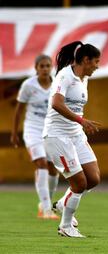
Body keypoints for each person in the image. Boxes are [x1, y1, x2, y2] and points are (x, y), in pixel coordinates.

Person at [43, 41, 101, 238]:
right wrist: (81, 120)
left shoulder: (84, 78)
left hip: (76, 134)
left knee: (93, 179)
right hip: (57, 136)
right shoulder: (65, 76)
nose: (97, 66)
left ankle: (62, 204)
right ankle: (66, 227)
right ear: (85, 60)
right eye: (96, 62)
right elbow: (56, 103)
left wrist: (80, 123)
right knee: (79, 183)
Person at [11, 54, 59, 220]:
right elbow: (18, 110)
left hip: (51, 131)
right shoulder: (28, 86)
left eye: (48, 66)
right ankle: (46, 209)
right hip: (32, 130)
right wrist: (14, 132)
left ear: (51, 67)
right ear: (36, 68)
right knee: (42, 164)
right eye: (42, 66)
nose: (45, 69)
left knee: (54, 170)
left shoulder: (58, 85)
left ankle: (45, 203)